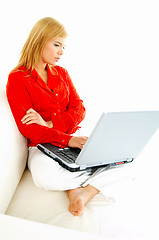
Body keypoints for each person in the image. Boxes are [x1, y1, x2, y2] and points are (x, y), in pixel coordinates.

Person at [6, 17, 135, 216]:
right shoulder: (18, 78)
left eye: (64, 47)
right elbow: (28, 128)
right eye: (56, 45)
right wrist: (68, 139)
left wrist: (49, 123)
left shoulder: (62, 73)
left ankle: (84, 192)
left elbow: (79, 108)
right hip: (42, 145)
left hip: (72, 136)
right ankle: (90, 179)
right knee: (45, 178)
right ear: (39, 40)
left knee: (130, 162)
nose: (61, 52)